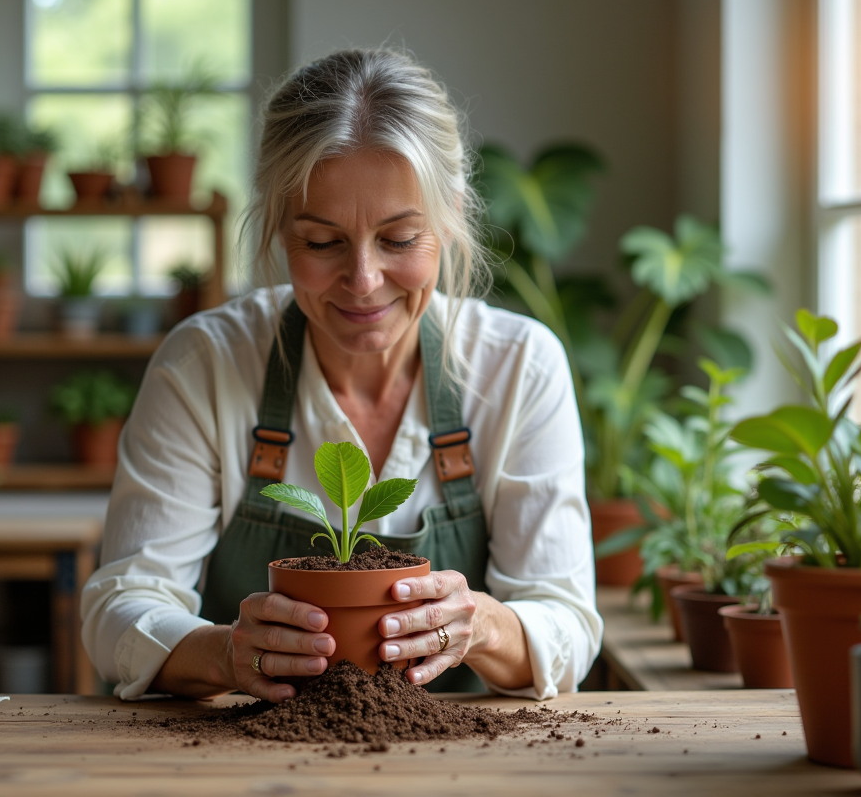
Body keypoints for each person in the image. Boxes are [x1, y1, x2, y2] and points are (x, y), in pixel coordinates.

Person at [81, 48, 602, 703]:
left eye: (400, 239)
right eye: (322, 242)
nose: (363, 281)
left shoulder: (519, 365)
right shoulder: (206, 365)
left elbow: (567, 622)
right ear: (277, 230)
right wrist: (222, 654)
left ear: (450, 217)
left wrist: (482, 626)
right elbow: (121, 605)